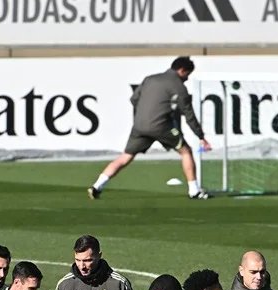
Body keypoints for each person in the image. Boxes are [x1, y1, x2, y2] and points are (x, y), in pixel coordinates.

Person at [87, 56, 212, 201]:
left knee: (125, 157)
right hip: (162, 126)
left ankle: (97, 186)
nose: (187, 78)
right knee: (186, 151)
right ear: (181, 70)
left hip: (139, 126)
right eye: (187, 74)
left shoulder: (150, 79)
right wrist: (200, 136)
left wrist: (146, 112)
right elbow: (189, 114)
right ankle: (194, 191)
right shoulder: (179, 87)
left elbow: (134, 99)